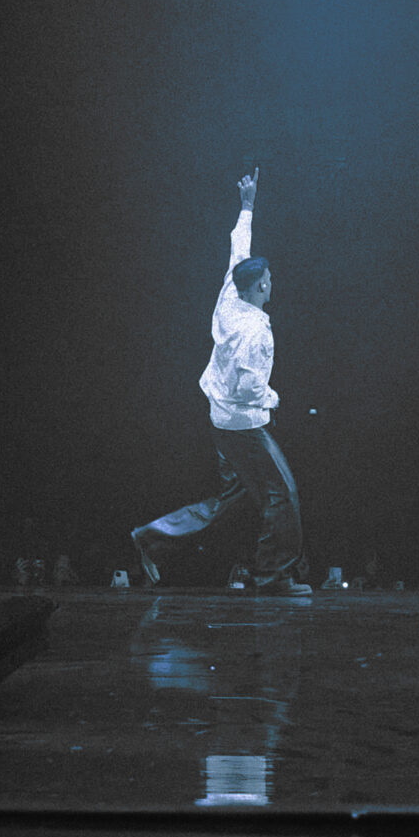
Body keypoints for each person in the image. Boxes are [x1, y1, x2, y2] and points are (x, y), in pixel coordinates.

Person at [131, 168, 311, 597]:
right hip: (242, 426)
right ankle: (273, 576)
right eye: (269, 280)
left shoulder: (231, 293)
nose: (272, 283)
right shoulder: (257, 331)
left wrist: (247, 205)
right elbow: (249, 389)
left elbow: (238, 248)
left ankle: (153, 537)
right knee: (283, 493)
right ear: (261, 286)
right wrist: (272, 398)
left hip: (219, 420)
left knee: (231, 499)